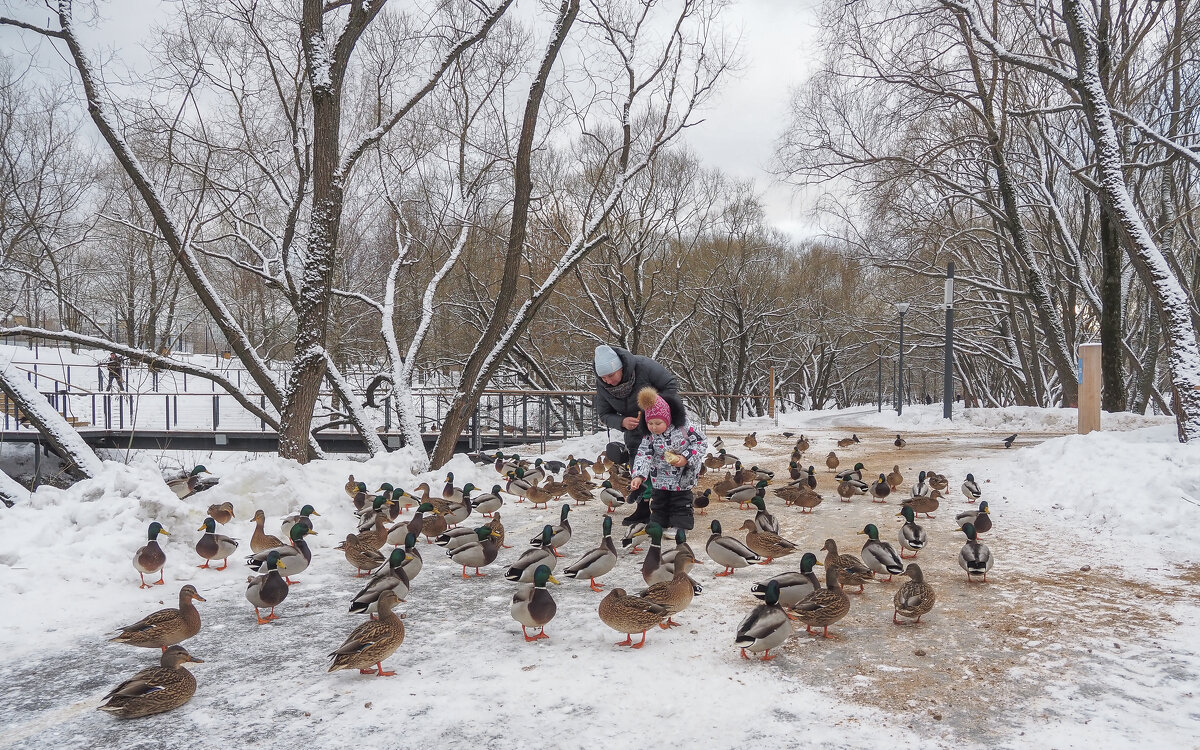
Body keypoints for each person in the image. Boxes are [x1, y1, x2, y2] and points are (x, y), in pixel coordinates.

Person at [628, 387, 706, 532]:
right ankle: (659, 524)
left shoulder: (685, 428)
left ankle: (681, 526)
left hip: (682, 475)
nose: (653, 427)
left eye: (658, 423)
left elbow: (701, 442)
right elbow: (644, 454)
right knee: (658, 502)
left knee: (681, 502)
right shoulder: (649, 436)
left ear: (668, 418)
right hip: (660, 476)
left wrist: (685, 458)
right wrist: (639, 475)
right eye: (650, 423)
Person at [592, 344, 680, 466]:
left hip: (662, 430)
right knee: (639, 476)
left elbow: (670, 385)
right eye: (603, 378)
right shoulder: (602, 385)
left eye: (611, 375)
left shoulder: (644, 366)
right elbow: (604, 414)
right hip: (635, 436)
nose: (609, 382)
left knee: (665, 472)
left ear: (621, 367)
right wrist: (622, 422)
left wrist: (657, 410)